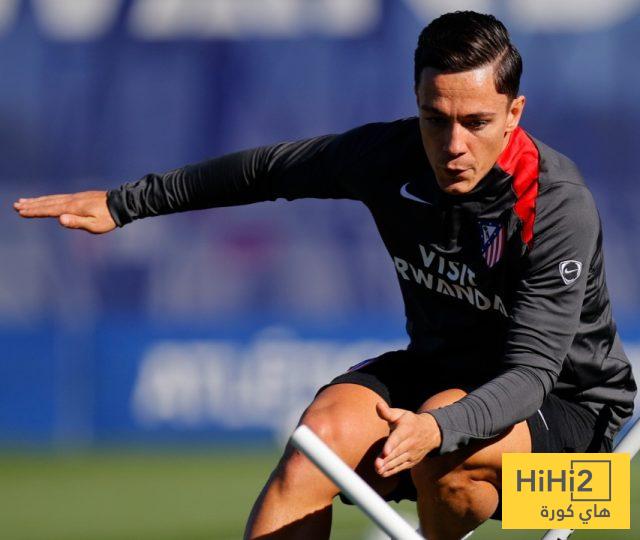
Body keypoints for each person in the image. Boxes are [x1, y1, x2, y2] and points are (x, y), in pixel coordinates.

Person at [14, 10, 637, 540]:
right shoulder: (390, 156)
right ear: (417, 106)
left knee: (448, 444)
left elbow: (530, 375)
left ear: (513, 113)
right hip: (442, 383)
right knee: (318, 441)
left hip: (578, 457)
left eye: (475, 122)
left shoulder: (554, 203)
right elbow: (267, 171)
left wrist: (437, 428)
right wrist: (125, 204)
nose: (453, 144)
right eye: (435, 118)